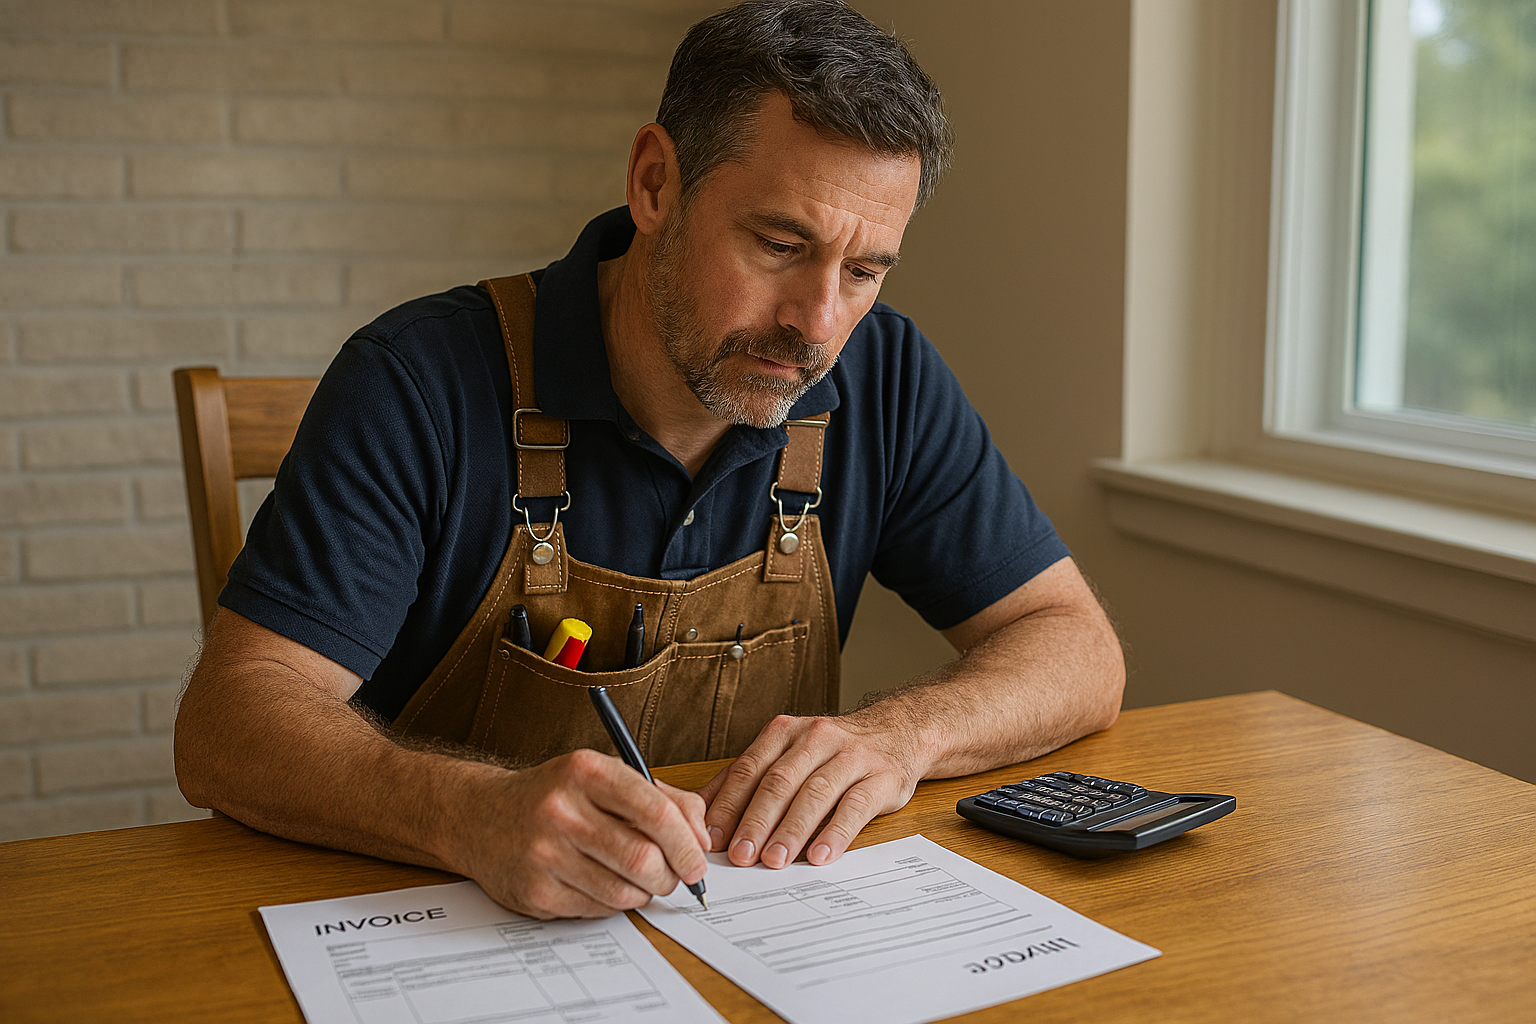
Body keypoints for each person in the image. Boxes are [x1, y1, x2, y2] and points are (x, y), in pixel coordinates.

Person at [174, 0, 1124, 921]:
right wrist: (468, 813)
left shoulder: (888, 377)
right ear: (655, 183)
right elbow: (229, 725)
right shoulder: (416, 381)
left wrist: (902, 735)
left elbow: (1077, 649)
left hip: (744, 938)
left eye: (865, 270)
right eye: (779, 243)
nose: (818, 324)